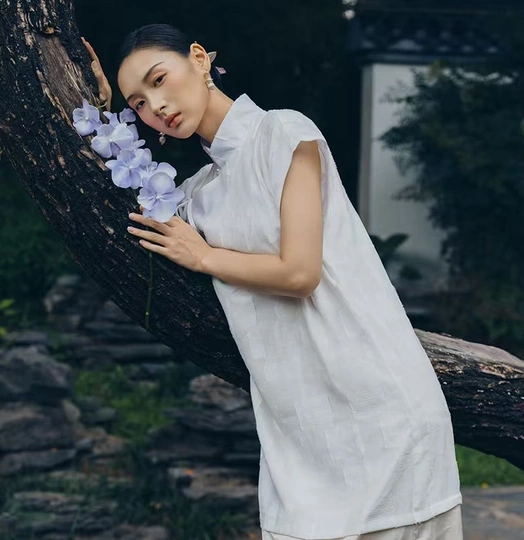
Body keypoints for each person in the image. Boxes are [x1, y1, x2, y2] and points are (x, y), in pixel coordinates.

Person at [82, 23, 463, 540]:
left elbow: (300, 273)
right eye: (140, 104)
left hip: (380, 412)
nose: (157, 107)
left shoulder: (284, 133)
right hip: (301, 434)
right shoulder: (197, 195)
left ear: (199, 59)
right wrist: (99, 111)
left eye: (159, 79)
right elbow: (131, 201)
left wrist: (204, 257)